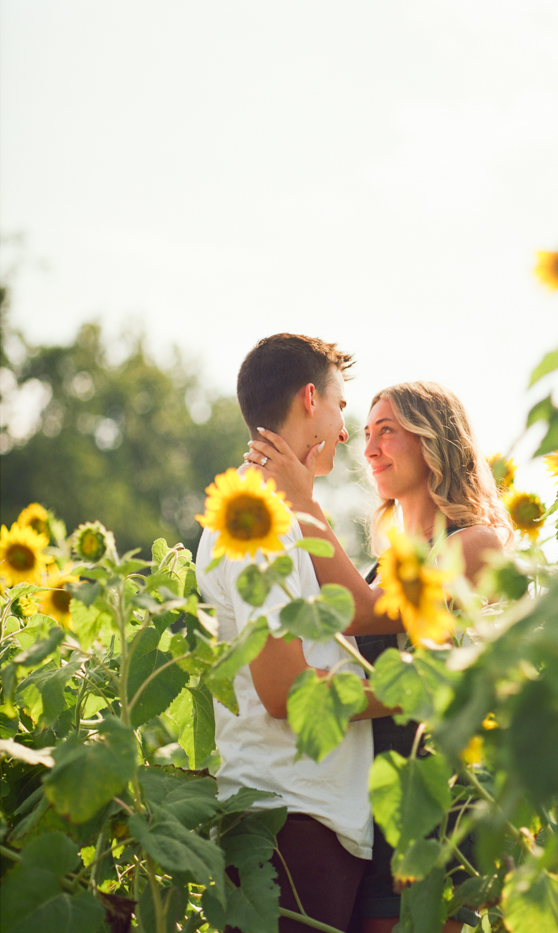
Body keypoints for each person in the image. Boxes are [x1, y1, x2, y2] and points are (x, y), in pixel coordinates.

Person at [244, 380, 512, 933]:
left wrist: (303, 503)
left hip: (436, 805)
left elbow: (366, 616)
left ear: (434, 439)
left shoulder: (476, 544)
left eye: (387, 431)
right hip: (371, 807)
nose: (369, 449)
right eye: (367, 434)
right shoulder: (377, 565)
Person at [196, 334, 397, 933]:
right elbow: (285, 690)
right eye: (340, 406)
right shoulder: (259, 519)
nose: (344, 430)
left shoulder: (279, 512)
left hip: (304, 814)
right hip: (290, 814)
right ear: (310, 398)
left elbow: (357, 613)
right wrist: (407, 693)